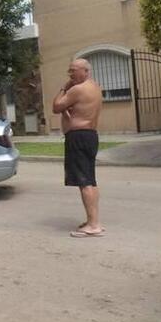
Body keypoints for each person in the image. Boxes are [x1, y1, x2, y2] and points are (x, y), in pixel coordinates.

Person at [52, 58, 104, 238]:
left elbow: (56, 106)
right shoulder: (95, 87)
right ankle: (94, 220)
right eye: (69, 70)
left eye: (73, 70)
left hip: (79, 137)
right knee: (90, 179)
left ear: (85, 71)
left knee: (84, 181)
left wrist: (63, 88)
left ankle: (93, 225)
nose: (70, 74)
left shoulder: (77, 89)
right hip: (90, 136)